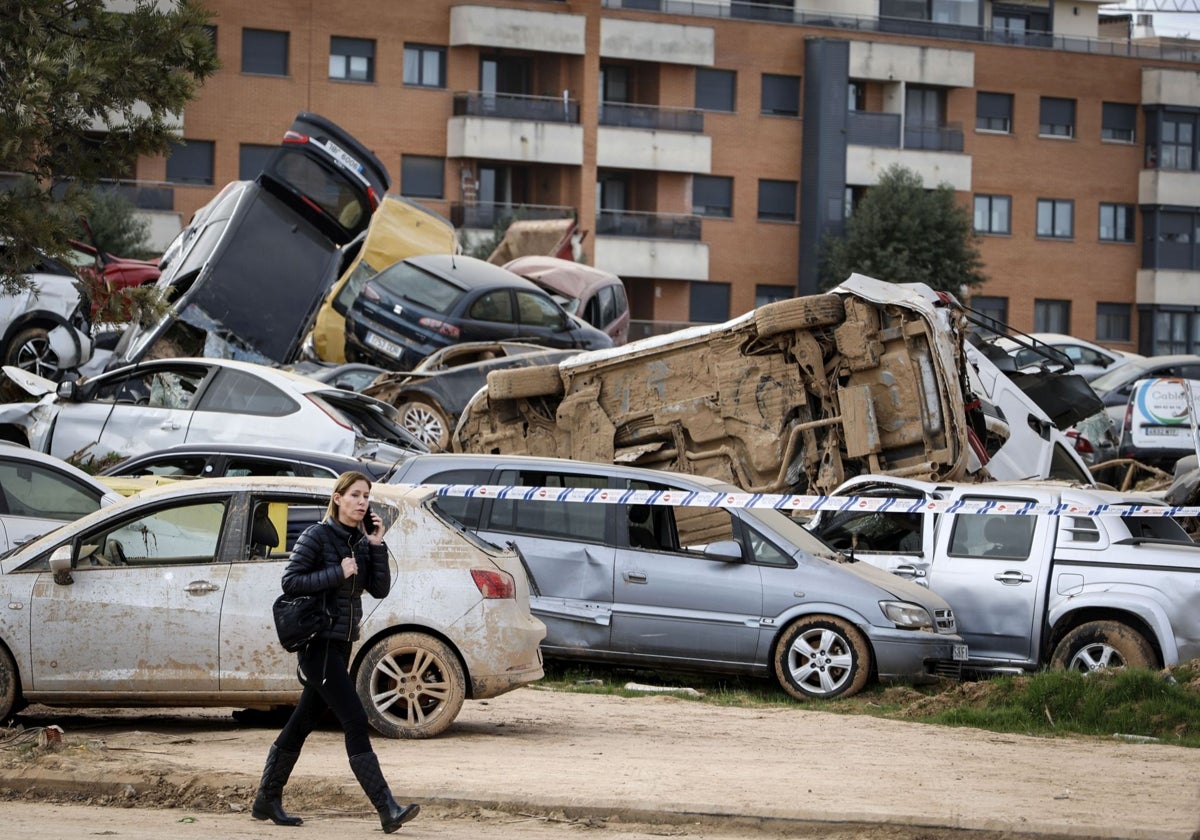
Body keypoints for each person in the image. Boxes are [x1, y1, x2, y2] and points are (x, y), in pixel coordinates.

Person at [252, 471, 419, 832]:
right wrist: (336, 572)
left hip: (342, 644)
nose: (362, 502)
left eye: (366, 496)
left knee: (303, 722)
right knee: (355, 721)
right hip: (318, 645)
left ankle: (266, 798)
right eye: (355, 495)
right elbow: (290, 581)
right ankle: (386, 807)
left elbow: (379, 589)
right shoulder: (316, 535)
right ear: (338, 498)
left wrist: (377, 544)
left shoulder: (360, 540)